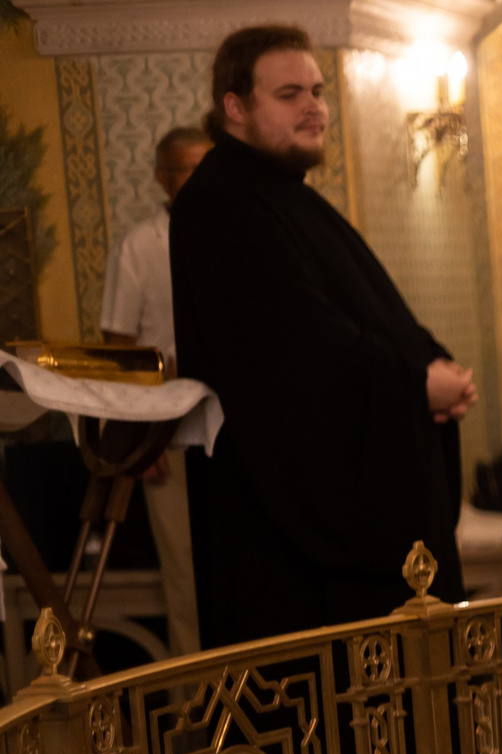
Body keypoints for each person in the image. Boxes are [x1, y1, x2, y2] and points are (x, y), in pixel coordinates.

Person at [173, 24, 469, 646]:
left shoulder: (286, 198)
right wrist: (413, 384)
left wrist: (431, 365)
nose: (313, 106)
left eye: (317, 90)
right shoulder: (221, 203)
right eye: (288, 93)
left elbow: (371, 315)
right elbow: (297, 349)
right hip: (285, 544)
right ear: (235, 106)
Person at [101, 124, 210, 653]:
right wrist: (137, 436)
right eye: (191, 168)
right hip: (170, 435)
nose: (202, 178)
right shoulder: (139, 246)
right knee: (187, 581)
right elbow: (119, 348)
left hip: (238, 430)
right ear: (162, 178)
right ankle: (197, 715)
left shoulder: (238, 236)